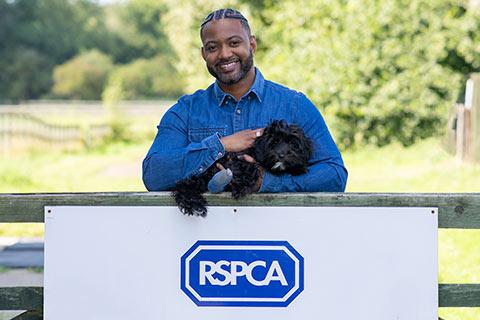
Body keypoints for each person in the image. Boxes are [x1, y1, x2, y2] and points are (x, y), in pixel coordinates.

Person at [142, 8, 347, 192]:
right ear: (204, 54)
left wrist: (266, 183)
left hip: (278, 231)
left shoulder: (294, 105)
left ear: (252, 45)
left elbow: (335, 175)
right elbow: (154, 175)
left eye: (234, 43)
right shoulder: (185, 111)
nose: (224, 54)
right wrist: (220, 145)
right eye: (213, 47)